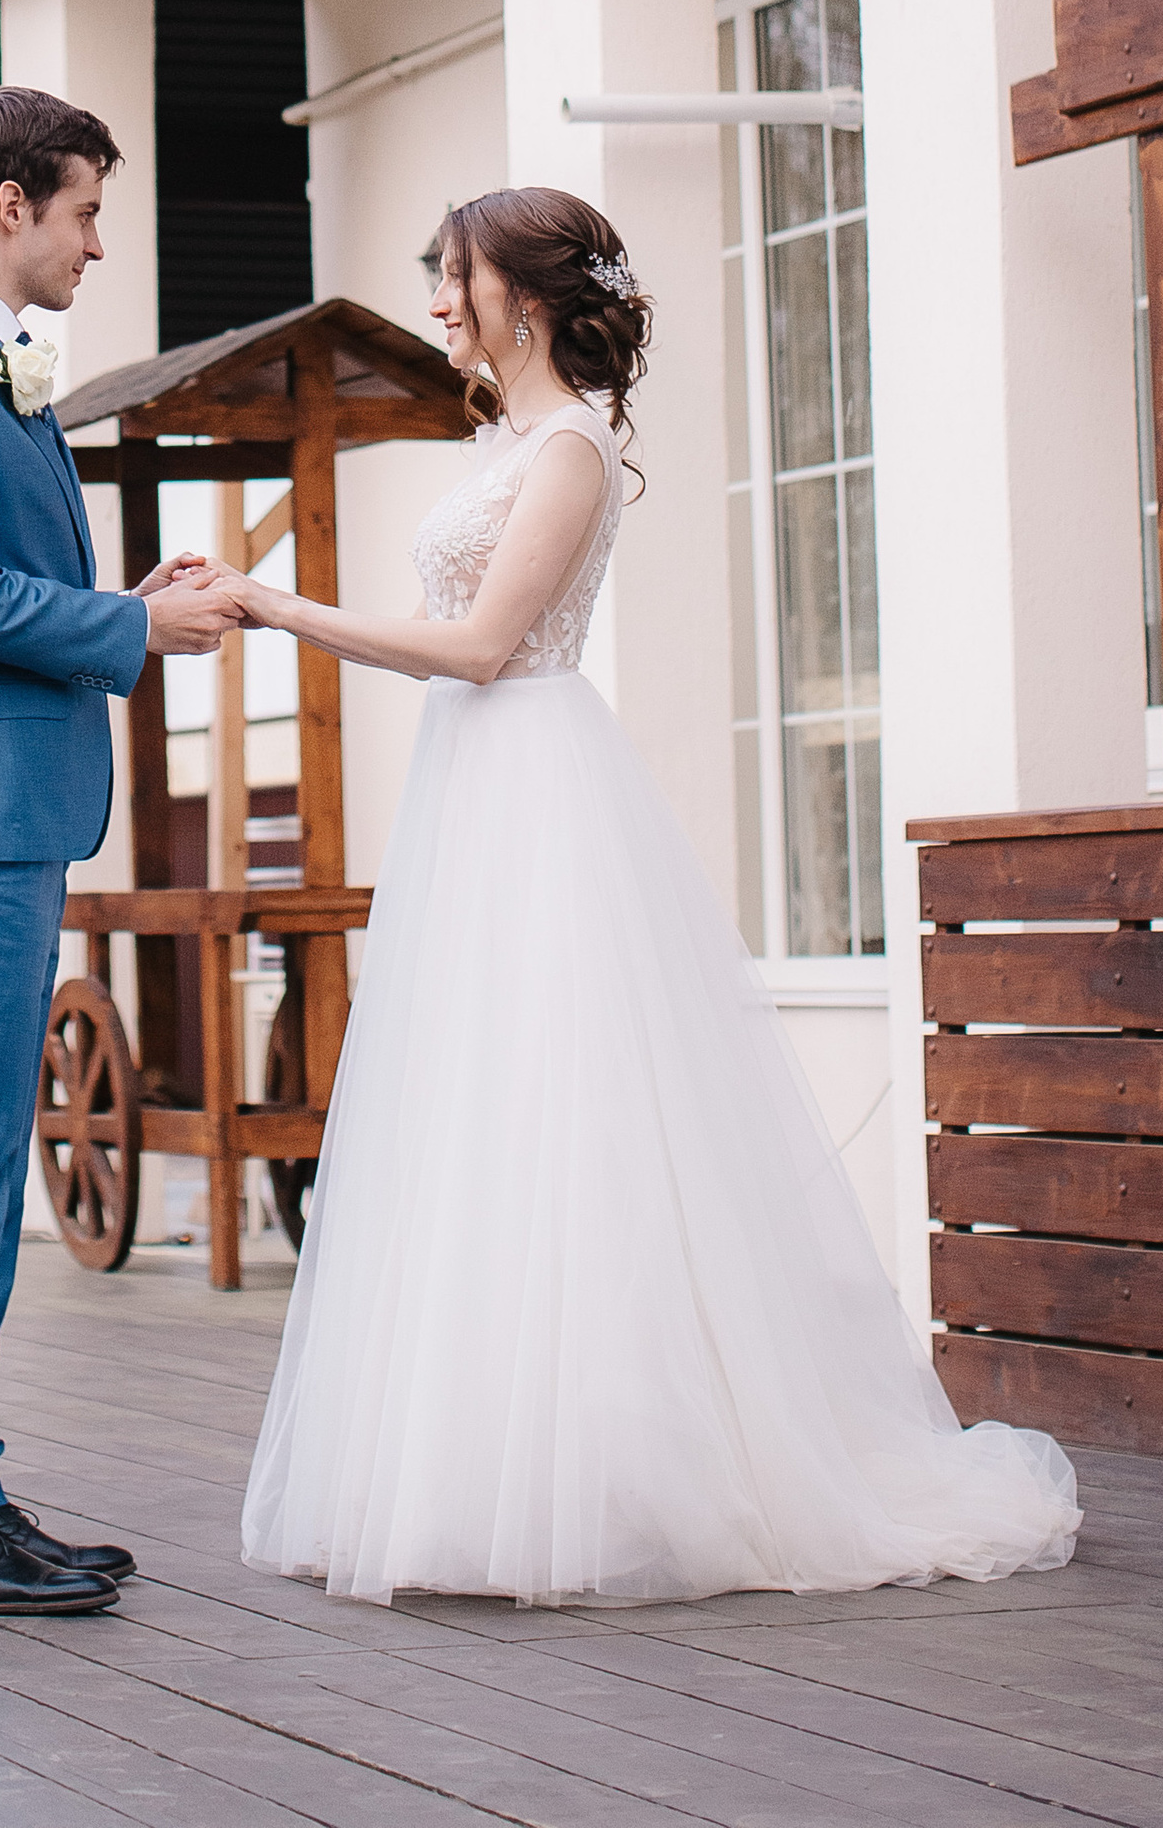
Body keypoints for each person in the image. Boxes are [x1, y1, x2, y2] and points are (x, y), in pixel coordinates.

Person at [207, 184, 1080, 1610]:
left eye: (453, 280)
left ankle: (610, 1474)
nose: (437, 303)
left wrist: (279, 606)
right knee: (476, 1118)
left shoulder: (570, 449)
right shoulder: (511, 438)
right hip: (473, 796)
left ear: (525, 301)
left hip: (534, 784)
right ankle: (477, 1464)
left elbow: (486, 646)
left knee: (571, 1119)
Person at [0, 83, 242, 1618]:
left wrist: (125, 597)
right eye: (84, 209)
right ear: (8, 204)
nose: (97, 240)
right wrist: (137, 628)